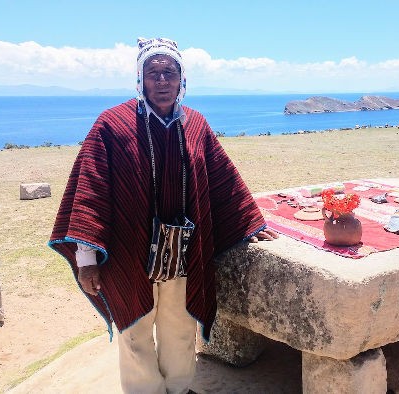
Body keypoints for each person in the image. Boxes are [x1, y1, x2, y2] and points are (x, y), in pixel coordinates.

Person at [49, 37, 278, 393]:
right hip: (127, 254)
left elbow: (222, 181)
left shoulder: (197, 125)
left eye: (169, 72)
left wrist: (249, 221)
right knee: (136, 331)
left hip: (183, 251)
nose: (161, 81)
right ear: (139, 80)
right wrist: (86, 260)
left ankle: (179, 387)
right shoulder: (112, 125)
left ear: (181, 79)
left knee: (181, 325)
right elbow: (89, 194)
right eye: (152, 73)